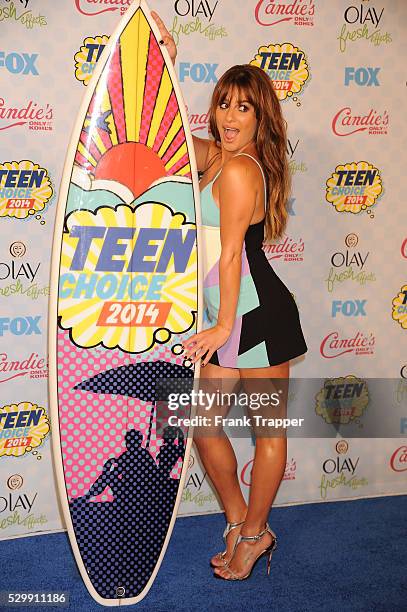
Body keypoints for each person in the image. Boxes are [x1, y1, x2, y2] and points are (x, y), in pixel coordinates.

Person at [152, 11, 308, 581]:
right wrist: (165, 62)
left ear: (261, 116)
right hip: (229, 316)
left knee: (268, 435)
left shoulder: (241, 171)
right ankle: (243, 520)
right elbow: (167, 134)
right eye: (224, 103)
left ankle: (253, 535)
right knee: (202, 423)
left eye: (245, 106)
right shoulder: (221, 159)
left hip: (256, 317)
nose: (230, 116)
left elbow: (233, 255)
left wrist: (220, 329)